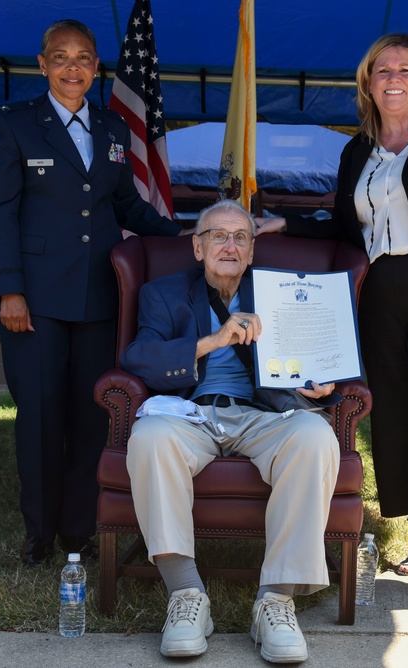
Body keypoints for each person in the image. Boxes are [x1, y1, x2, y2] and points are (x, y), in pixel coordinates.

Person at [258, 33, 408, 602]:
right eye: (382, 69)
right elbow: (347, 228)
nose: (393, 77)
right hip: (380, 298)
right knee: (396, 418)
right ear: (368, 83)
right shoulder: (355, 150)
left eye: (405, 68)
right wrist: (287, 226)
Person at [0, 19, 182, 566]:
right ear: (42, 65)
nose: (74, 68)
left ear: (96, 68)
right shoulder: (14, 125)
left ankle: (77, 531)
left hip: (98, 300)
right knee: (42, 418)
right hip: (36, 303)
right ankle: (39, 535)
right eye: (61, 58)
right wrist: (8, 291)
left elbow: (127, 208)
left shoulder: (113, 130)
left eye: (84, 58)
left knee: (92, 417)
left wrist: (185, 232)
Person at [121, 199, 340, 663]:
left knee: (316, 435)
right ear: (197, 248)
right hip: (193, 414)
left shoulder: (281, 295)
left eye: (241, 236)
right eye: (218, 235)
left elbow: (313, 363)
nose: (230, 244)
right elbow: (139, 359)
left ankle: (276, 601)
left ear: (253, 251)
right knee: (150, 437)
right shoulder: (162, 294)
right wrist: (214, 340)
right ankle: (186, 596)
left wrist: (320, 386)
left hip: (262, 415)